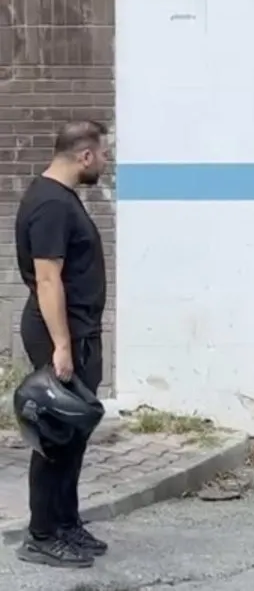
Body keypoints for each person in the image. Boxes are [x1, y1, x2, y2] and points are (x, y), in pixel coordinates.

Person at [14, 121, 111, 568]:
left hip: (78, 332)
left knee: (74, 435)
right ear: (85, 156)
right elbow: (48, 279)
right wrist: (62, 347)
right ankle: (41, 534)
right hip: (60, 335)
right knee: (54, 438)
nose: (106, 163)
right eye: (104, 154)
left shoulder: (62, 198)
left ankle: (67, 521)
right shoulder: (50, 204)